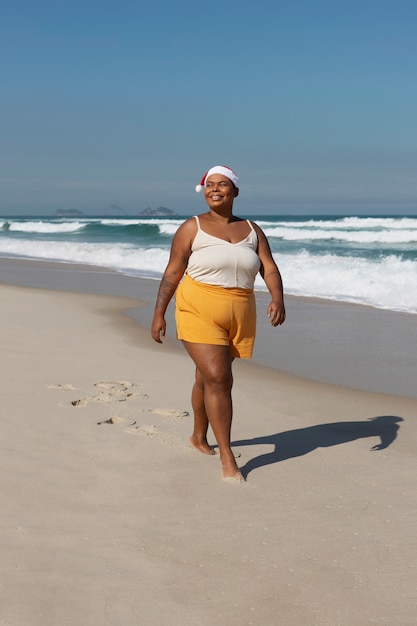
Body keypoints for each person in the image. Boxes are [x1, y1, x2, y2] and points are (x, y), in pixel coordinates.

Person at [151, 165, 285, 482]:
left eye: (222, 185)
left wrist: (277, 298)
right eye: (210, 185)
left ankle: (198, 436)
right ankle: (227, 457)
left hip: (239, 310)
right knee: (219, 377)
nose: (215, 189)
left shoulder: (252, 229)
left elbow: (269, 267)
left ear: (235, 191)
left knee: (207, 378)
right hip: (197, 307)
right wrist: (159, 312)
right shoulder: (191, 227)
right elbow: (173, 272)